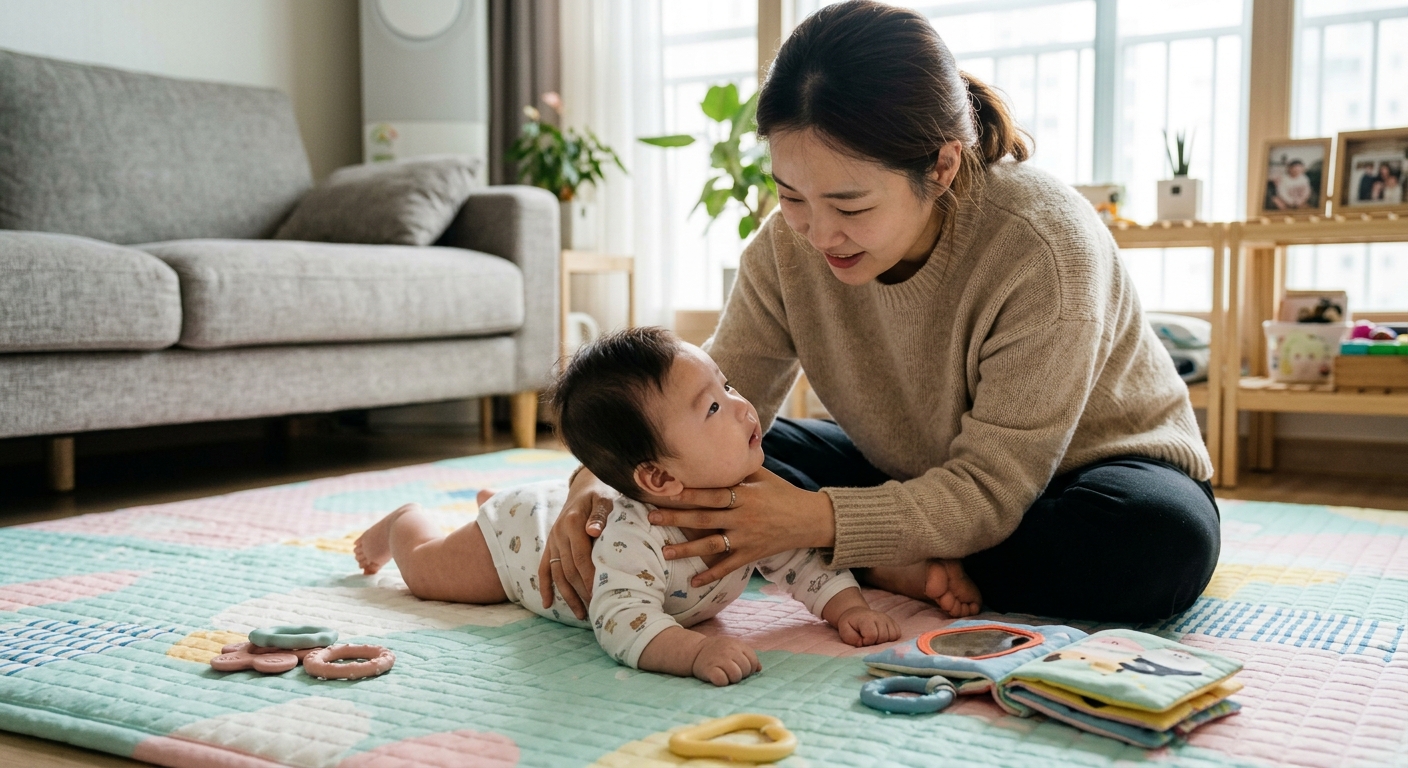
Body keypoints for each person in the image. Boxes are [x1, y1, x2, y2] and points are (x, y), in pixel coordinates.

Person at [541, 0, 1219, 626]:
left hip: (1080, 479)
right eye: (791, 194)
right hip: (909, 476)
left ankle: (859, 553)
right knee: (694, 448)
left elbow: (991, 487)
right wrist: (595, 491)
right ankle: (885, 551)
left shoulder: (1041, 243)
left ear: (944, 164)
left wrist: (815, 520)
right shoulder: (785, 246)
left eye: (851, 205)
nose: (816, 231)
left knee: (1158, 543)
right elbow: (703, 399)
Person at [354, 327, 900, 687]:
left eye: (727, 386)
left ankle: (494, 501)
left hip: (551, 506)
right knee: (431, 573)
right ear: (658, 477)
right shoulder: (634, 534)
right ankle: (402, 522)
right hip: (517, 548)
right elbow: (619, 620)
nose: (741, 406)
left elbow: (800, 561)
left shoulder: (753, 495)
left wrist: (846, 609)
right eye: (714, 406)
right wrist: (693, 654)